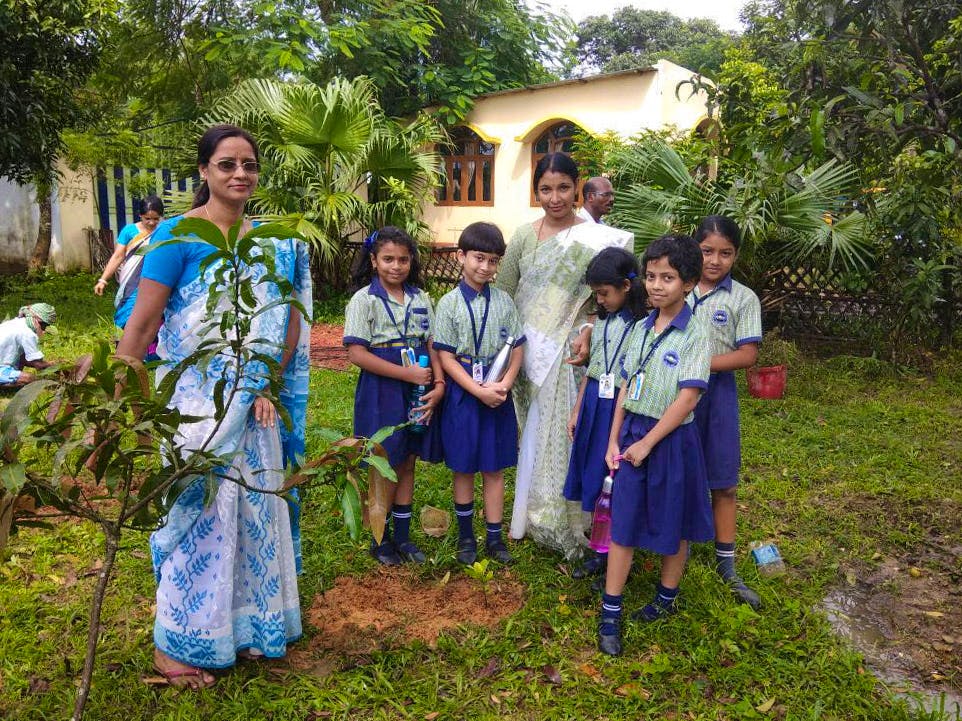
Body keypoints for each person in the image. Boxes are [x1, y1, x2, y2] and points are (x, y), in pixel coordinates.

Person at [117, 124, 311, 687]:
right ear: (203, 172)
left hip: (257, 408)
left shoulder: (274, 242)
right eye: (227, 164)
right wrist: (129, 411)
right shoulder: (176, 237)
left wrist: (267, 383)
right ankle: (174, 646)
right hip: (197, 408)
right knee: (199, 517)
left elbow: (289, 320)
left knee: (253, 515)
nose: (239, 174)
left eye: (249, 164)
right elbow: (143, 327)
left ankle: (245, 629)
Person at [495, 152, 632, 558]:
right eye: (545, 189)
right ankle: (529, 513)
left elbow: (605, 298)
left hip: (572, 349)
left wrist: (588, 330)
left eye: (563, 188)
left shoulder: (597, 240)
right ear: (535, 191)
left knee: (566, 432)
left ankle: (565, 518)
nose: (554, 198)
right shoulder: (523, 235)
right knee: (531, 430)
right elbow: (505, 291)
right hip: (527, 347)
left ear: (578, 188)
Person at [597, 234, 714, 656]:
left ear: (688, 282)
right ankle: (611, 611)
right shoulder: (639, 328)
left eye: (668, 277)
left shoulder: (696, 334)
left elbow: (688, 397)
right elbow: (626, 386)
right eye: (650, 276)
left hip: (671, 440)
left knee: (673, 520)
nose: (657, 285)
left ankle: (667, 596)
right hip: (632, 437)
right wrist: (614, 439)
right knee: (623, 519)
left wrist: (647, 442)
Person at [343, 226, 445, 566]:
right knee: (382, 459)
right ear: (373, 261)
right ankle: (379, 537)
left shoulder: (421, 298)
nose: (396, 266)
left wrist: (439, 384)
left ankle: (402, 537)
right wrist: (406, 373)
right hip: (382, 387)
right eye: (388, 259)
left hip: (418, 386)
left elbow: (432, 344)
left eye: (403, 259)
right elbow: (357, 354)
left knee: (408, 458)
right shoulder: (364, 300)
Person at [433, 222, 525, 566]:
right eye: (478, 258)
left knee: (494, 468)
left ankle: (495, 538)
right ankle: (466, 536)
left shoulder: (504, 301)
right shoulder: (448, 304)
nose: (485, 267)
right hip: (464, 397)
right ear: (461, 256)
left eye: (493, 261)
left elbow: (516, 348)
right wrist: (476, 390)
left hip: (497, 396)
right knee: (463, 467)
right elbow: (445, 356)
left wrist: (504, 384)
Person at [688, 215, 762, 609]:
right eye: (707, 251)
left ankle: (727, 564)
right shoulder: (675, 287)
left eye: (725, 253)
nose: (715, 260)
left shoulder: (743, 298)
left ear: (735, 256)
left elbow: (747, 354)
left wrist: (698, 366)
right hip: (672, 399)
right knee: (677, 472)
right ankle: (671, 549)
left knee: (723, 480)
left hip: (717, 398)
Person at [562, 248, 644, 580]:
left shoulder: (641, 326)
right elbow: (594, 370)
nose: (600, 299)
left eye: (604, 293)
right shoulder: (603, 323)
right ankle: (599, 550)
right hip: (596, 401)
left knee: (615, 476)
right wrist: (578, 409)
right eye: (596, 293)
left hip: (621, 407)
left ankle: (617, 549)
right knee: (594, 473)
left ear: (626, 286)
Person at [94, 195, 165, 329]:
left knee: (155, 319)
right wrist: (103, 280)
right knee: (128, 315)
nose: (151, 222)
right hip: (132, 281)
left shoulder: (165, 231)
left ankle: (151, 348)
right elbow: (118, 256)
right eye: (147, 218)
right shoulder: (129, 231)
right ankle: (126, 344)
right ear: (140, 215)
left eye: (156, 219)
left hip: (156, 280)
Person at [0, 304, 56, 386]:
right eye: (44, 325)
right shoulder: (28, 333)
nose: (44, 330)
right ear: (37, 321)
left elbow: (27, 360)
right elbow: (38, 365)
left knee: (22, 355)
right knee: (30, 378)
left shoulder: (17, 323)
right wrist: (56, 366)